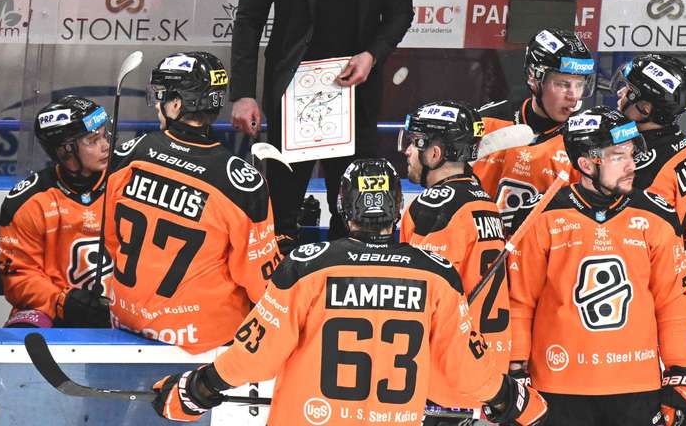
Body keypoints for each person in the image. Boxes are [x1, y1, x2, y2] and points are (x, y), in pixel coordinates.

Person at [150, 159, 547, 425]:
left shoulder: (308, 265)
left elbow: (255, 357)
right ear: (397, 208)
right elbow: (467, 370)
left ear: (342, 207)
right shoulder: (436, 275)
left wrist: (196, 390)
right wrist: (512, 398)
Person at [229, 0, 414, 243]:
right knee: (281, 211)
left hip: (354, 95)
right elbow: (248, 20)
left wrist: (372, 54)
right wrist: (244, 93)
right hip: (293, 95)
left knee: (353, 213)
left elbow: (400, 12)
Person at [509, 107, 686, 425]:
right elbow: (520, 304)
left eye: (631, 154)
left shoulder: (658, 215)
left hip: (637, 389)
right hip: (557, 388)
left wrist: (681, 373)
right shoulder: (540, 216)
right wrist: (515, 371)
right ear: (586, 164)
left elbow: (673, 307)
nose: (631, 165)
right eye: (617, 156)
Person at [103, 52, 279, 353]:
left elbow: (111, 240)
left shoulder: (129, 154)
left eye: (161, 97)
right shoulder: (240, 182)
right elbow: (262, 283)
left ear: (176, 104)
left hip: (125, 323)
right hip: (203, 342)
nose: (157, 105)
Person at [398, 101, 510, 423]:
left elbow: (421, 299)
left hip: (446, 379)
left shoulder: (434, 208)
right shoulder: (484, 202)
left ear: (434, 154)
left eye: (413, 141)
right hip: (488, 373)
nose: (407, 151)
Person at [613, 53, 686, 331]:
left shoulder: (641, 170)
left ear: (645, 109)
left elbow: (631, 247)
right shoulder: (685, 145)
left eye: (629, 92)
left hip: (670, 305)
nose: (621, 93)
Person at [0, 95, 114, 328]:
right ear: (65, 151)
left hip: (120, 312)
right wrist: (62, 302)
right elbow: (19, 276)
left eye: (105, 135)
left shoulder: (127, 186)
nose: (105, 145)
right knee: (24, 327)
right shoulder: (28, 201)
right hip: (54, 312)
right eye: (93, 140)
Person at [473, 29, 595, 234]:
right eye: (563, 84)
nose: (573, 96)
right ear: (533, 78)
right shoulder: (486, 120)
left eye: (580, 85)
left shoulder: (586, 140)